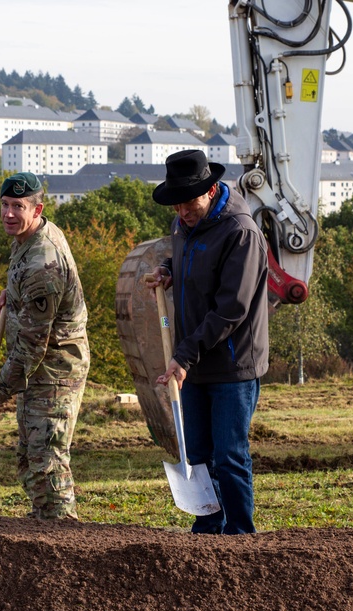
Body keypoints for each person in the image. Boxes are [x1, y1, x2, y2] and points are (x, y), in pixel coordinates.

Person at [144, 149, 269, 535]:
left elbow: (231, 309)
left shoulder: (241, 232)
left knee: (229, 455)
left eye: (189, 202)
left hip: (232, 363)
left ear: (212, 190)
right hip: (194, 359)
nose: (182, 212)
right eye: (177, 204)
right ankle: (208, 529)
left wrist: (183, 356)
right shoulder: (185, 223)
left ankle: (240, 535)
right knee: (197, 454)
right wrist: (168, 270)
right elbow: (189, 262)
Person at [0, 172, 89, 520]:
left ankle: (59, 531)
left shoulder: (42, 263)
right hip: (38, 368)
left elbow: (31, 348)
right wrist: (16, 298)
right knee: (29, 456)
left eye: (18, 207)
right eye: (5, 205)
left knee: (46, 459)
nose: (9, 214)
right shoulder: (30, 236)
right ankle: (44, 521)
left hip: (53, 370)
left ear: (37, 209)